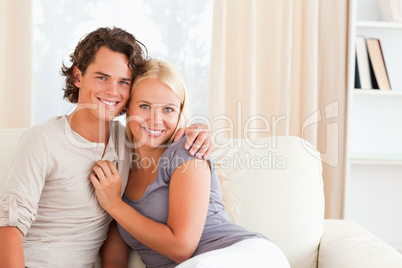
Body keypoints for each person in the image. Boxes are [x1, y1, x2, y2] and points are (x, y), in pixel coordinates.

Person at [0, 27, 211, 268]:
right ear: (78, 77)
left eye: (123, 82)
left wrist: (197, 132)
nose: (112, 91)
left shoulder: (128, 141)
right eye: (102, 77)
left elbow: (115, 226)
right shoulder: (41, 140)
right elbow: (10, 226)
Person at [91, 59, 290, 267]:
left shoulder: (187, 150)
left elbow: (181, 249)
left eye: (168, 109)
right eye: (144, 106)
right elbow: (114, 260)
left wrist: (114, 205)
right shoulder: (118, 174)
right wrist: (114, 204)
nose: (155, 120)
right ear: (128, 109)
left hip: (244, 255)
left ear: (180, 113)